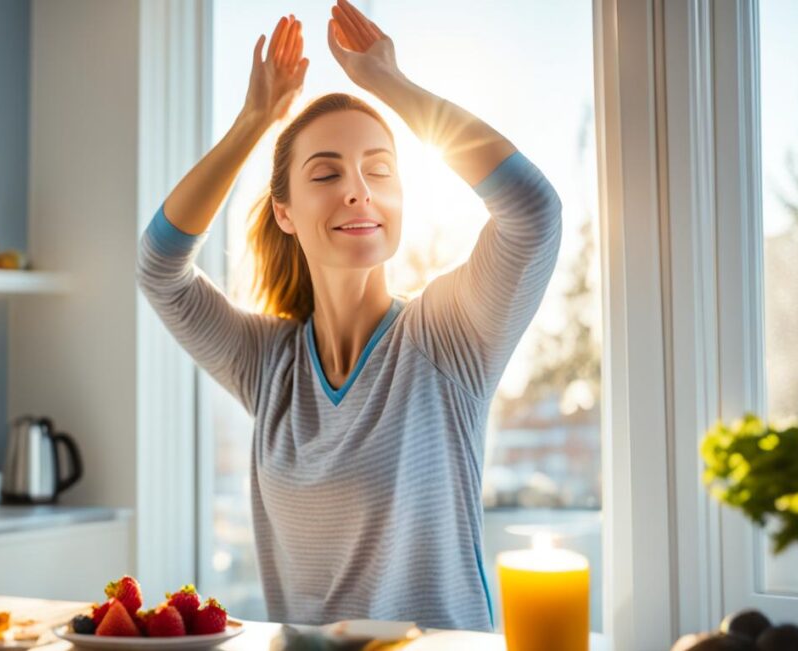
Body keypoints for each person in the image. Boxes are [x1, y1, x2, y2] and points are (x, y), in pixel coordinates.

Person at [137, 0, 562, 631]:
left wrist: (388, 82)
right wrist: (255, 120)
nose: (358, 188)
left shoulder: (447, 337)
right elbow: (160, 267)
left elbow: (533, 213)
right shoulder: (268, 365)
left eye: (380, 171)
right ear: (285, 211)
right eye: (326, 172)